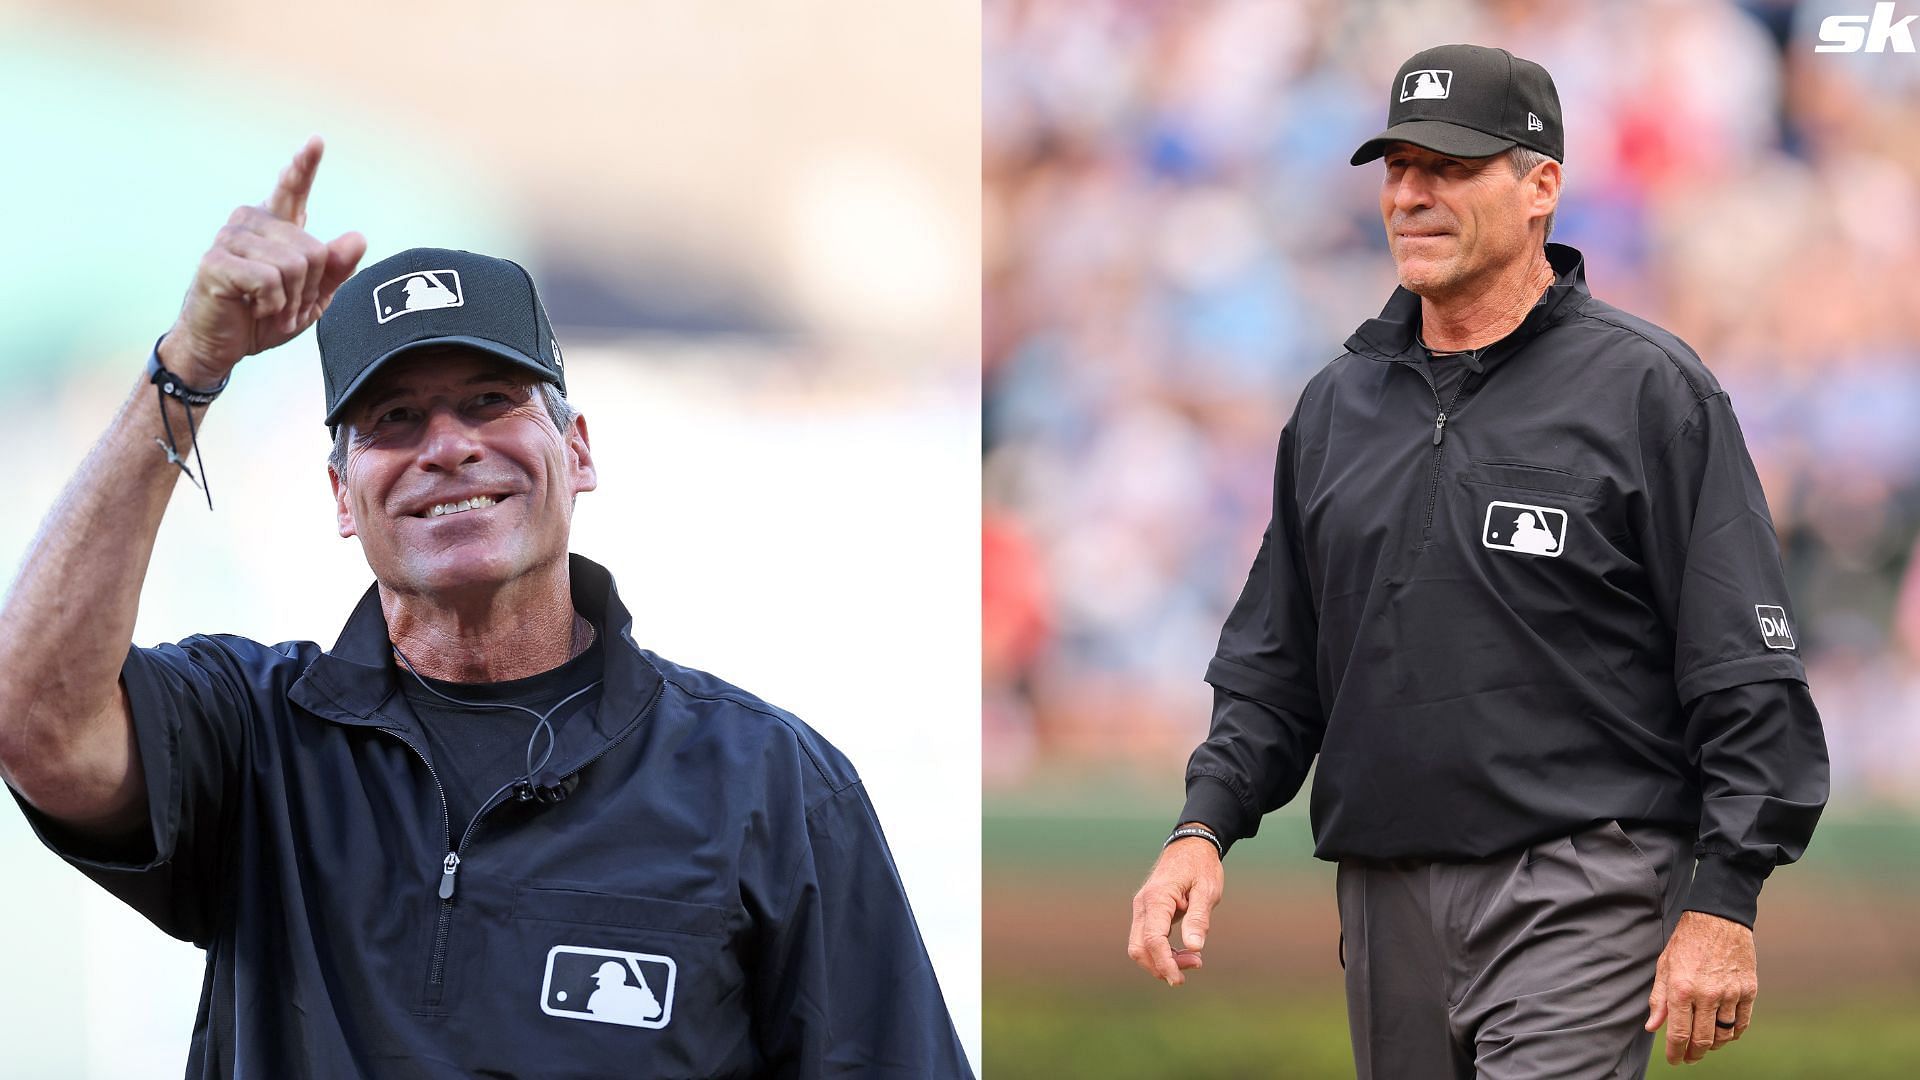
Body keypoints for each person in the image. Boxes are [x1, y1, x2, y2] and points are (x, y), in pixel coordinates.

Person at [0, 137, 972, 1079]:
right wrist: (191, 363)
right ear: (343, 496)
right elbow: (30, 713)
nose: (449, 446)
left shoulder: (770, 786)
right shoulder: (251, 736)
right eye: (394, 419)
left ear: (579, 451)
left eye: (490, 400)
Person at [1125, 44, 1828, 1077]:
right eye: (1397, 169)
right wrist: (1202, 828)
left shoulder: (1647, 392)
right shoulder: (1336, 405)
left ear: (1540, 184)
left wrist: (1724, 901)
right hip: (1383, 895)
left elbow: (1742, 667)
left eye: (1448, 167)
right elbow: (1275, 666)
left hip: (1584, 882)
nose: (1412, 194)